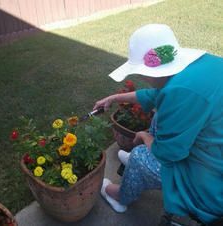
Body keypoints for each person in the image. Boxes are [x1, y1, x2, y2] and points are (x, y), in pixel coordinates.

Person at [93, 24, 223, 226]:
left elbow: (169, 154)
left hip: (210, 182)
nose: (140, 77)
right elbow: (157, 96)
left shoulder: (180, 91)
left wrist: (144, 137)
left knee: (139, 157)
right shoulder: (204, 65)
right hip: (213, 148)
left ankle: (120, 196)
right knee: (158, 115)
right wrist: (114, 98)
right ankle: (136, 172)